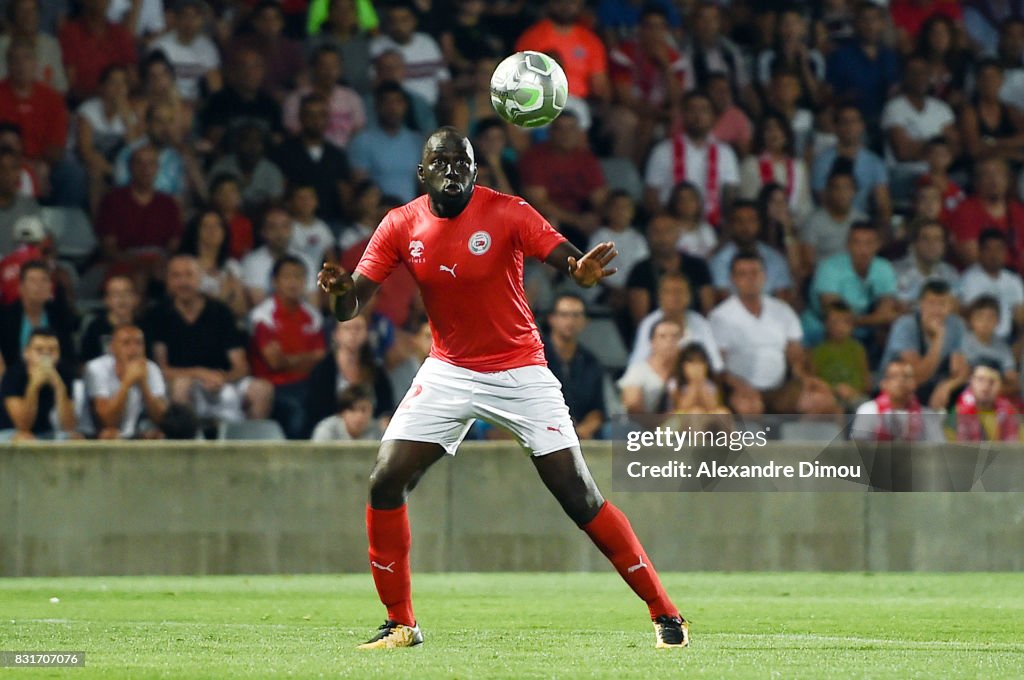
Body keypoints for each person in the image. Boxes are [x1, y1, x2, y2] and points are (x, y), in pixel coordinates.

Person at [317, 126, 689, 649]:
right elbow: (351, 303)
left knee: (579, 496)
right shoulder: (401, 224)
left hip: (520, 370)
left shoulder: (508, 211)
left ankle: (666, 613)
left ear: (476, 171)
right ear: (422, 173)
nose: (453, 171)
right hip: (449, 369)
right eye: (441, 163)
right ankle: (401, 623)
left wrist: (580, 271)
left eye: (462, 163)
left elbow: (566, 257)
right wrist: (337, 295)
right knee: (384, 480)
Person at [145, 254, 273, 425]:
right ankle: (187, 446)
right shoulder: (158, 315)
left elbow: (241, 367)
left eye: (189, 275)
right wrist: (199, 373)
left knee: (262, 389)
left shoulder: (221, 312)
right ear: (168, 281)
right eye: (176, 276)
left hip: (222, 382)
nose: (183, 282)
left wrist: (222, 378)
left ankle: (249, 446)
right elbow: (162, 370)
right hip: (183, 385)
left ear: (200, 278)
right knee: (181, 386)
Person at [708, 252, 837, 416]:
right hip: (740, 389)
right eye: (743, 274)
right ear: (732, 279)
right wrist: (740, 387)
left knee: (821, 399)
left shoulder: (783, 311)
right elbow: (719, 367)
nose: (750, 279)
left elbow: (795, 356)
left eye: (755, 272)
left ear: (765, 276)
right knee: (749, 407)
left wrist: (805, 378)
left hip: (780, 388)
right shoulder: (720, 316)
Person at [248, 255, 327, 439]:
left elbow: (321, 358)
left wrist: (290, 360)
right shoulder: (263, 316)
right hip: (275, 387)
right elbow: (275, 362)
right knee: (296, 412)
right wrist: (307, 358)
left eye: (299, 277)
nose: (293, 283)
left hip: (308, 384)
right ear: (275, 282)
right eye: (287, 277)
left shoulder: (313, 316)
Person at [644, 90, 739, 227]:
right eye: (692, 110)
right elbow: (650, 197)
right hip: (673, 227)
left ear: (713, 116)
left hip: (714, 226)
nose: (698, 116)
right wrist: (669, 225)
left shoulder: (726, 153)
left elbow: (731, 196)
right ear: (683, 115)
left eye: (704, 110)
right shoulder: (662, 151)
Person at [879, 280, 967, 409]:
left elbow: (961, 371)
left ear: (950, 307)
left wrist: (947, 386)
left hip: (936, 385)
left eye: (942, 304)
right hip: (900, 387)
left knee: (966, 391)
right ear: (921, 305)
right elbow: (916, 377)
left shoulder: (956, 325)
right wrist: (939, 338)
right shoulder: (905, 325)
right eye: (931, 304)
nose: (937, 310)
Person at [84, 324, 167, 439]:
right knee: (109, 434)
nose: (134, 349)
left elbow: (161, 419)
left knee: (159, 435)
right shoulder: (96, 368)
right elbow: (107, 421)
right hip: (100, 432)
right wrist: (127, 382)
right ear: (112, 348)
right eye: (126, 343)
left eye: (138, 343)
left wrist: (144, 384)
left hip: (139, 430)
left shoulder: (152, 368)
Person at [543, 293, 605, 440]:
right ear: (551, 319)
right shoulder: (536, 357)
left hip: (580, 433)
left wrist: (584, 430)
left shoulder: (591, 361)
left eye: (576, 315)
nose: (570, 321)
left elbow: (597, 410)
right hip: (543, 428)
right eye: (564, 315)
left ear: (585, 321)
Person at [0, 328, 75, 441]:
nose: (46, 356)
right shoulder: (13, 376)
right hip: (10, 431)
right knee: (25, 438)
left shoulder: (64, 374)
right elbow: (23, 426)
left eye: (52, 350)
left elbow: (69, 426)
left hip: (45, 432)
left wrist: (59, 388)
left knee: (75, 438)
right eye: (39, 350)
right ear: (26, 353)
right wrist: (33, 386)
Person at [850, 359, 944, 442]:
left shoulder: (927, 415)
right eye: (894, 377)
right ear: (884, 384)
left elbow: (939, 449)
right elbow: (859, 449)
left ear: (914, 383)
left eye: (906, 377)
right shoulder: (868, 410)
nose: (901, 381)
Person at [959, 229, 1024, 343]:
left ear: (1005, 252)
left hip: (1008, 340)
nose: (994, 254)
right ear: (979, 252)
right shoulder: (968, 279)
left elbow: (1020, 316)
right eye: (988, 249)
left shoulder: (1013, 280)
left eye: (999, 249)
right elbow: (966, 317)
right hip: (977, 339)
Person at [810, 301, 871, 413]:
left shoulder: (857, 348)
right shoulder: (818, 352)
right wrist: (835, 390)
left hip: (856, 396)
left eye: (846, 322)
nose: (840, 327)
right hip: (831, 397)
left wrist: (854, 392)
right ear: (825, 324)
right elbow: (814, 382)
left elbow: (866, 382)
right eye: (835, 322)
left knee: (866, 408)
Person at [618, 318, 682, 414]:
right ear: (652, 342)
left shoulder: (686, 371)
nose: (669, 341)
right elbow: (632, 405)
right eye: (662, 336)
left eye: (674, 336)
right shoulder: (638, 370)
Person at [892, 218, 961, 305]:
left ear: (944, 246)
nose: (931, 244)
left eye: (937, 239)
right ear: (914, 243)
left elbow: (956, 307)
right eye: (925, 239)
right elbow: (893, 308)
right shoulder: (895, 271)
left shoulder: (950, 273)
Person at [948, 360, 1020, 442]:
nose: (986, 387)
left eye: (992, 382)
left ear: (1000, 385)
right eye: (980, 379)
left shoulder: (1010, 413)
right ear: (971, 381)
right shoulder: (956, 412)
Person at [961, 296, 1020, 394]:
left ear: (998, 322)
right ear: (971, 320)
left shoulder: (1003, 348)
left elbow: (1012, 378)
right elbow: (962, 376)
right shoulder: (962, 342)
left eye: (990, 317)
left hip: (997, 394)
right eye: (980, 317)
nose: (985, 322)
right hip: (968, 393)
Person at [78, 275, 139, 363]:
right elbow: (85, 362)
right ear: (106, 300)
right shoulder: (95, 327)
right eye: (116, 294)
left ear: (135, 299)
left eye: (126, 293)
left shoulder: (145, 326)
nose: (122, 299)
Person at [310, 383, 381, 442]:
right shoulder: (326, 431)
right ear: (342, 413)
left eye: (364, 410)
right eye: (353, 410)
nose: (359, 415)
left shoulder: (379, 432)